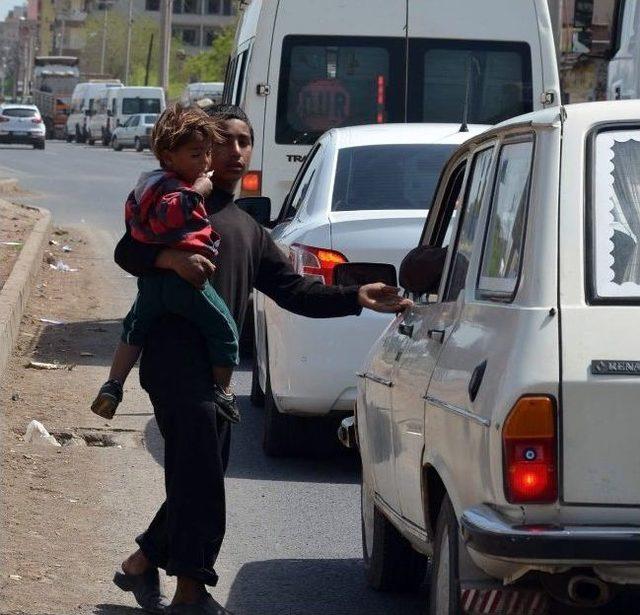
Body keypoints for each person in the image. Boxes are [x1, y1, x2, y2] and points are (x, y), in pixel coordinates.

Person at [112, 104, 411, 615]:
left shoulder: (248, 229)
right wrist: (168, 257)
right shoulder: (180, 209)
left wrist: (356, 295)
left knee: (200, 472)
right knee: (201, 475)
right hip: (174, 363)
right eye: (222, 141)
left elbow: (293, 291)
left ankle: (143, 562)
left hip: (217, 373)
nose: (233, 151)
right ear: (199, 151)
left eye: (243, 141)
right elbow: (126, 251)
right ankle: (190, 592)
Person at [91, 104, 241, 425]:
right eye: (195, 155)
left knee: (134, 330)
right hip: (183, 286)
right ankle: (223, 391)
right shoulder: (175, 189)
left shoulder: (147, 185)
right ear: (169, 157)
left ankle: (113, 385)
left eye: (207, 154)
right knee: (226, 330)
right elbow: (170, 214)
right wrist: (197, 192)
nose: (204, 163)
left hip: (151, 285)